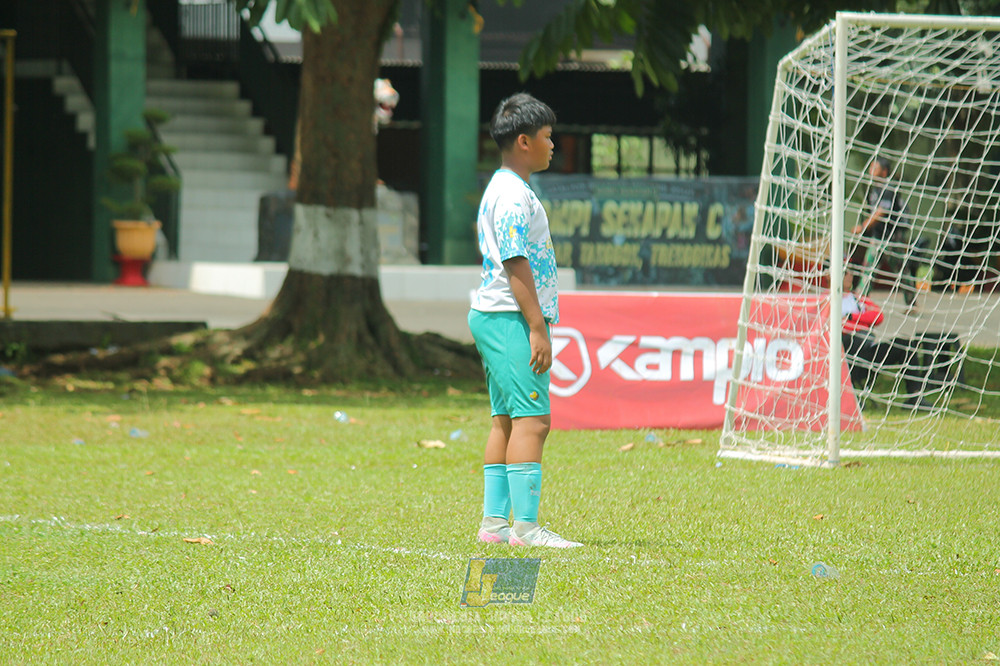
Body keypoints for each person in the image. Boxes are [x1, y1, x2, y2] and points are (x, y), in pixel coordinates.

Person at [467, 93, 582, 549]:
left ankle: (494, 525)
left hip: (493, 315)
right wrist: (537, 327)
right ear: (523, 141)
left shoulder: (502, 186)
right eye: (548, 137)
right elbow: (516, 262)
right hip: (510, 317)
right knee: (533, 420)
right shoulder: (514, 195)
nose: (553, 145)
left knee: (507, 421)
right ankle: (525, 529)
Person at [851, 156, 922, 310]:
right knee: (868, 268)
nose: (871, 170)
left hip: (891, 238)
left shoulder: (888, 188)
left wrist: (863, 227)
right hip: (878, 237)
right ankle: (860, 300)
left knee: (902, 271)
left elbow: (881, 212)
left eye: (874, 168)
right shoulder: (874, 188)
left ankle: (912, 303)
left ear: (884, 171)